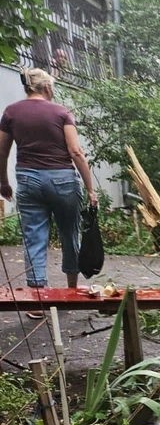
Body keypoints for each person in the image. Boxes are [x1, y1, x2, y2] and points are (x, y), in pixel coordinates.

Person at [0, 67, 98, 316]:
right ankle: (72, 292)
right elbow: (76, 152)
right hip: (63, 180)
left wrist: (3, 181)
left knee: (34, 238)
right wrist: (90, 189)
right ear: (46, 87)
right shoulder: (61, 112)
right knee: (69, 234)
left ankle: (37, 301)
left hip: (28, 179)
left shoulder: (11, 112)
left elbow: (2, 151)